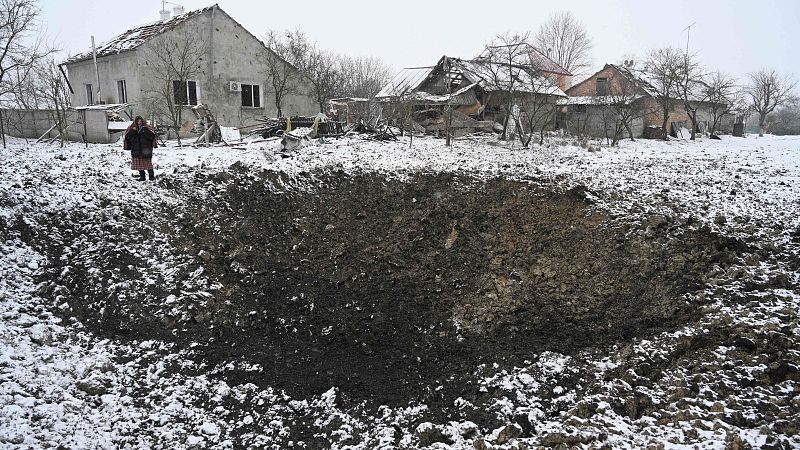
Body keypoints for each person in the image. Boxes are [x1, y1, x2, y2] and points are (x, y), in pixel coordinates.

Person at [124, 116, 158, 181]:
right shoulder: (131, 128)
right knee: (139, 165)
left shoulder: (147, 128)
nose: (139, 123)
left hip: (146, 149)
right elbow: (128, 138)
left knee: (148, 164)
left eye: (140, 121)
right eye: (138, 121)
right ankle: (142, 177)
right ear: (135, 122)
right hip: (136, 149)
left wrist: (145, 131)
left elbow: (152, 136)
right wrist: (133, 131)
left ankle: (151, 177)